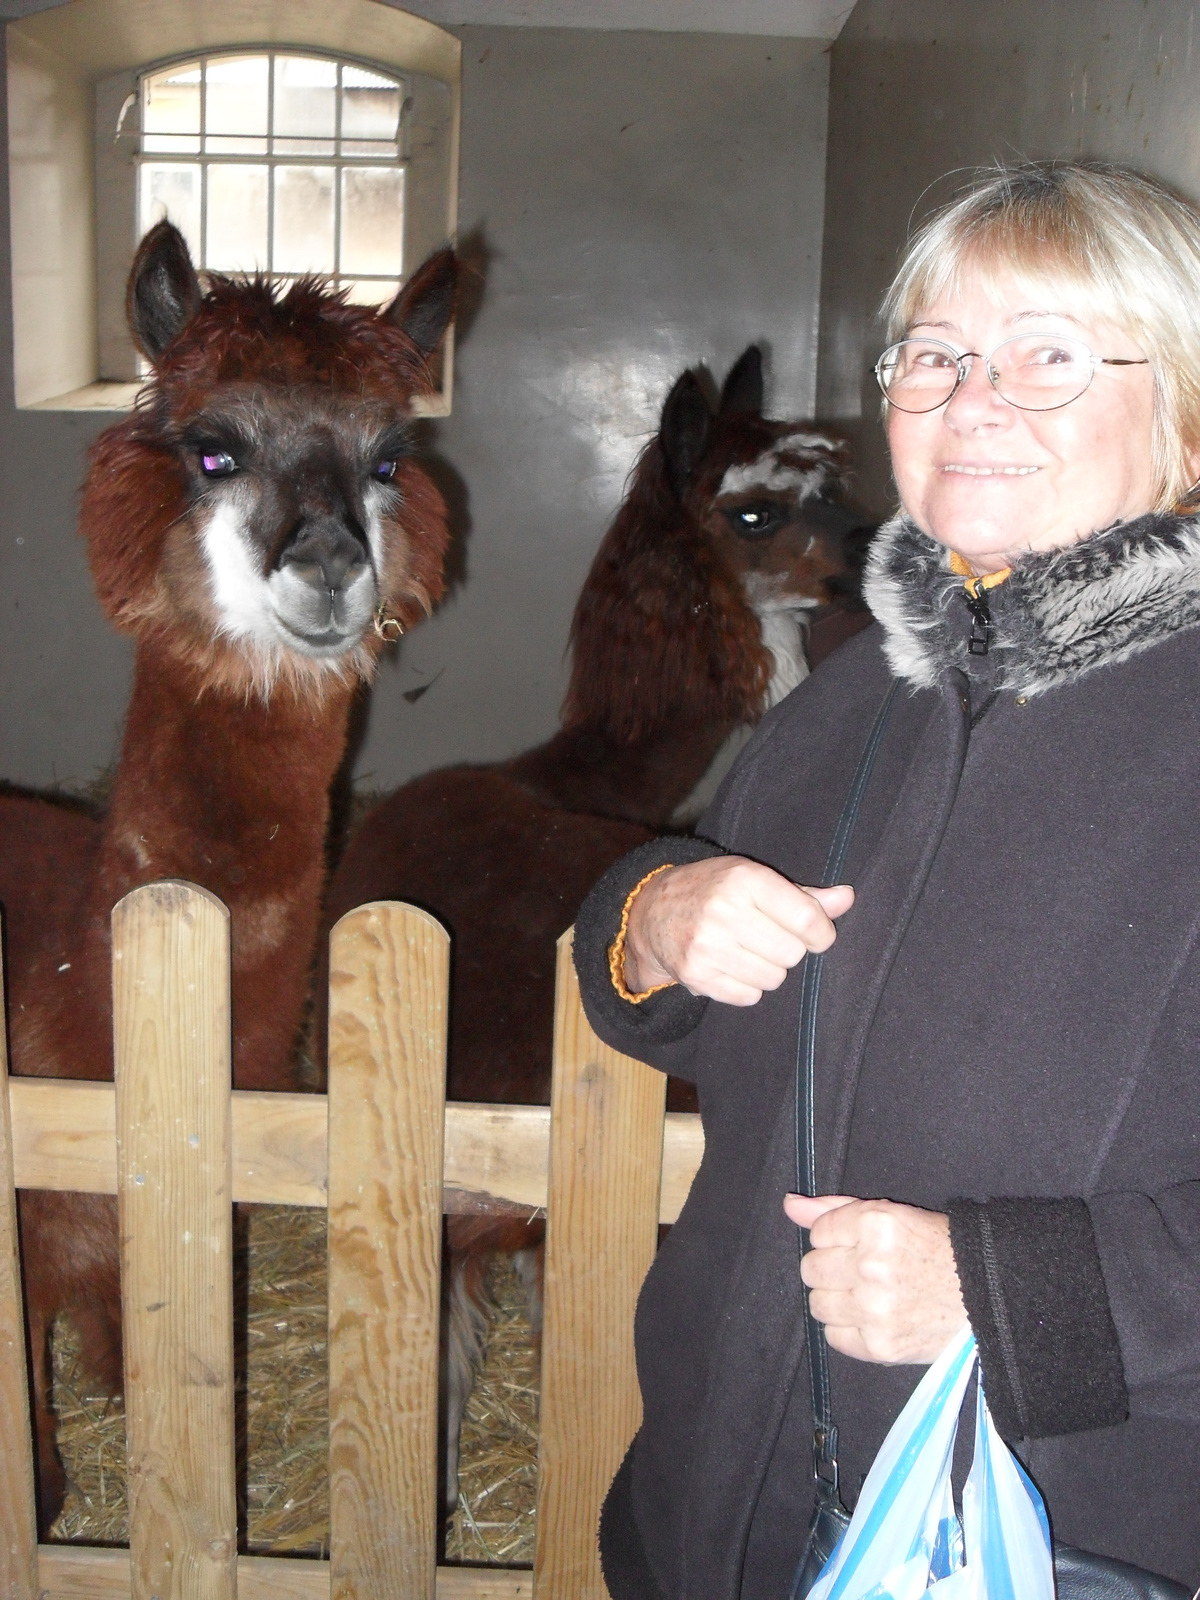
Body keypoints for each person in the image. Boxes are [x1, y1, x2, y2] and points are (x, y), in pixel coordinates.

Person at [573, 160, 1200, 1600]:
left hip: (1081, 1532)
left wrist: (1011, 1291)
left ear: (1177, 403)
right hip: (731, 1497)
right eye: (934, 353)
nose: (973, 400)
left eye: (1050, 354)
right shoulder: (859, 696)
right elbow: (658, 956)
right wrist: (655, 917)